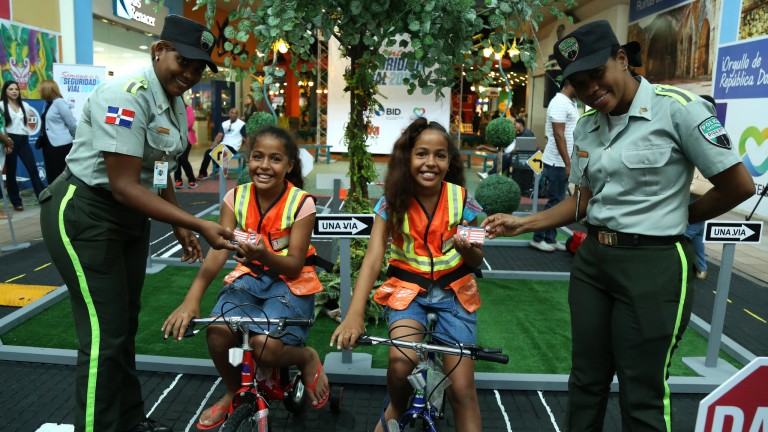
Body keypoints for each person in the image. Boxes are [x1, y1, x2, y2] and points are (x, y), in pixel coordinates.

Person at [482, 20, 754, 432]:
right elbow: (583, 201)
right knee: (586, 379)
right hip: (593, 262)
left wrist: (681, 216)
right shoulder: (588, 126)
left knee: (641, 390)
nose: (591, 88)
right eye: (578, 81)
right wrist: (525, 223)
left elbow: (738, 185)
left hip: (655, 265)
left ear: (622, 59)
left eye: (597, 74)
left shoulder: (678, 109)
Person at [39, 15, 235, 432]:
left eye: (199, 68)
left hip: (128, 217)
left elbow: (159, 167)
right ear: (158, 51)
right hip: (86, 211)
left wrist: (179, 222)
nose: (191, 74)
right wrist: (197, 224)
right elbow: (125, 185)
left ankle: (127, 422)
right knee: (103, 337)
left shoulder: (174, 102)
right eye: (184, 61)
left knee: (123, 327)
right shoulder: (124, 95)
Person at [163, 126, 330, 429]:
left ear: (290, 166)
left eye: (275, 159)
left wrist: (263, 255)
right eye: (257, 157)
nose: (264, 166)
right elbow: (218, 251)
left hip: (290, 282)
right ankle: (232, 391)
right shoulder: (235, 197)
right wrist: (192, 299)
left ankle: (305, 358)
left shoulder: (302, 202)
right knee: (216, 332)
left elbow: (293, 265)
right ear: (248, 159)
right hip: (251, 277)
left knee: (265, 347)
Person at [331, 118, 486, 432]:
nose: (431, 162)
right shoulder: (391, 202)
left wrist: (466, 248)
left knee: (461, 389)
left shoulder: (463, 200)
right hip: (407, 292)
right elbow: (374, 259)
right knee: (401, 363)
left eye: (440, 155)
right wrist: (353, 315)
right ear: (407, 158)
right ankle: (397, 407)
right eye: (422, 154)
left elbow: (477, 259)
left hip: (455, 294)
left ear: (449, 161)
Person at [529, 79, 578, 252]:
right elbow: (558, 135)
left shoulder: (569, 103)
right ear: (569, 83)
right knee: (554, 202)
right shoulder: (559, 102)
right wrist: (568, 163)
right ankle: (538, 238)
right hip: (557, 162)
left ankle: (550, 239)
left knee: (558, 202)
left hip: (561, 161)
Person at [684, 94, 719, 280]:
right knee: (697, 231)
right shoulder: (713, 127)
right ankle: (702, 268)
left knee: (686, 232)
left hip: (697, 188)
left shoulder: (704, 128)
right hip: (703, 189)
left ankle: (678, 267)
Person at [1, 80, 46, 211]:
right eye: (11, 89)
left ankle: (42, 196)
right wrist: (6, 142)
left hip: (23, 140)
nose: (14, 91)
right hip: (10, 140)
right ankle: (16, 201)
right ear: (5, 91)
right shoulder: (1, 105)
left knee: (32, 168)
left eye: (16, 89)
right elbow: (1, 126)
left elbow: (26, 125)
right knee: (11, 172)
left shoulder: (24, 105)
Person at [38, 80, 77, 183]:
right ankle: (54, 196)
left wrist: (75, 140)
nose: (39, 91)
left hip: (61, 145)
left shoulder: (59, 102)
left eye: (40, 89)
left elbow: (72, 123)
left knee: (60, 173)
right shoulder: (47, 104)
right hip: (48, 145)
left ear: (47, 90)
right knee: (52, 173)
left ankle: (62, 196)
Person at [197, 107, 246, 179]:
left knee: (219, 151)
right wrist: (214, 144)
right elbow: (220, 134)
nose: (234, 115)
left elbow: (246, 136)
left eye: (236, 113)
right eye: (232, 113)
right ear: (229, 114)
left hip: (234, 147)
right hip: (224, 145)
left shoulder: (241, 124)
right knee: (208, 152)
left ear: (237, 115)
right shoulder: (224, 123)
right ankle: (203, 173)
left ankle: (218, 169)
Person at [174, 100, 198, 189]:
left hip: (187, 138)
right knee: (177, 159)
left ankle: (192, 179)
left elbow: (189, 124)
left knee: (183, 158)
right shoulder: (172, 108)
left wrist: (176, 126)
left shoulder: (188, 109)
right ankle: (178, 180)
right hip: (175, 138)